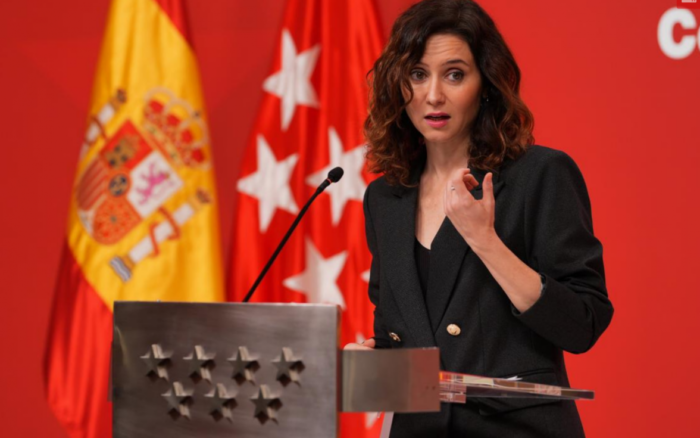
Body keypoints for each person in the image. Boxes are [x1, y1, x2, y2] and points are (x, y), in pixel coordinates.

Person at [343, 0, 614, 436]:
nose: (434, 95)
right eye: (417, 74)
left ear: (485, 84)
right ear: (398, 86)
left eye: (454, 74)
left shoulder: (539, 175)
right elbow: (407, 338)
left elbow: (582, 324)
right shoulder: (385, 197)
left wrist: (485, 240)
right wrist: (373, 369)